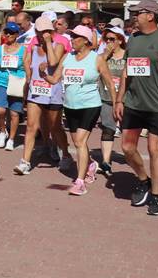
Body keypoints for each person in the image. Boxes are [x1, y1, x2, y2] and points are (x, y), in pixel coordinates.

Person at [114, 0, 158, 217]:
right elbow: (126, 70)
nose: (135, 16)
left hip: (157, 105)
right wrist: (119, 99)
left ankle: (156, 194)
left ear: (151, 15)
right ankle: (144, 179)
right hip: (133, 103)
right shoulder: (133, 39)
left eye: (138, 13)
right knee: (127, 148)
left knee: (154, 149)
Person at [43, 25, 117, 195]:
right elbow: (55, 80)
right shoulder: (67, 57)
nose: (72, 40)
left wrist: (115, 105)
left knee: (80, 142)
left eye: (76, 37)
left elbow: (109, 84)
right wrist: (43, 75)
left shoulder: (96, 59)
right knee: (78, 143)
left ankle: (80, 182)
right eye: (71, 36)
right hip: (70, 106)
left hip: (90, 105)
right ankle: (90, 164)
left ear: (85, 41)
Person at [14, 16, 71, 174]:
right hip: (36, 91)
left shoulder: (59, 44)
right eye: (39, 32)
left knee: (55, 127)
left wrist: (47, 43)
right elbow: (28, 63)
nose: (41, 35)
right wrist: (27, 80)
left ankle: (65, 154)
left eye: (45, 32)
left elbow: (53, 62)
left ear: (50, 31)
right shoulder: (33, 45)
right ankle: (25, 162)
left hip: (53, 90)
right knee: (32, 126)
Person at [0, 21, 25, 151]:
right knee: (0, 110)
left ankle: (11, 139)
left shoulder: (23, 49)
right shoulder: (1, 49)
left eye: (11, 32)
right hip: (2, 82)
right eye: (6, 32)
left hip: (17, 83)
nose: (8, 34)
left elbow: (26, 68)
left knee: (15, 113)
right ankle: (3, 132)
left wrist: (26, 85)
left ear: (17, 34)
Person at [97, 26, 127, 175]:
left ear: (120, 40)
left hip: (126, 100)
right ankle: (106, 161)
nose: (108, 42)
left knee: (128, 132)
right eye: (106, 39)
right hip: (106, 98)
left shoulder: (128, 56)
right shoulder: (102, 56)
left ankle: (130, 155)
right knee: (108, 129)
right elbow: (95, 69)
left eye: (112, 39)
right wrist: (106, 54)